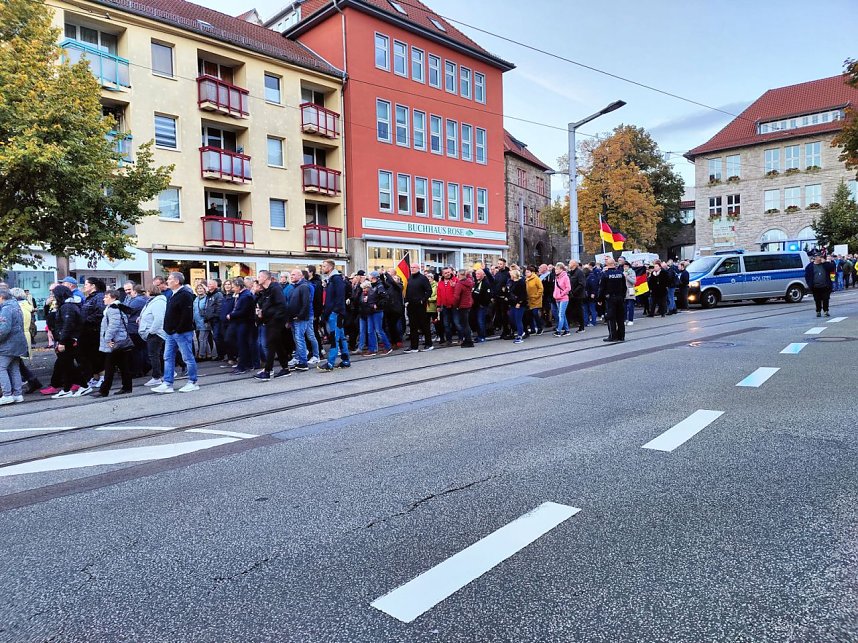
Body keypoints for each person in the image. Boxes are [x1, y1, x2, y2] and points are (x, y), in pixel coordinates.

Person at [152, 272, 199, 393]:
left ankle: (193, 381)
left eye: (170, 279)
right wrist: (167, 328)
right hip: (170, 332)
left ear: (177, 281)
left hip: (181, 332)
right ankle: (168, 383)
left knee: (187, 357)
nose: (167, 281)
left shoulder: (185, 295)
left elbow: (187, 315)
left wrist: (178, 329)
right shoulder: (173, 294)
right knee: (168, 357)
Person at [93, 288, 134, 397]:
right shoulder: (118, 307)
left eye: (106, 297)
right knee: (123, 365)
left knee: (109, 367)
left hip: (115, 342)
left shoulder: (112, 309)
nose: (104, 299)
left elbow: (113, 326)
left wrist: (107, 339)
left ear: (113, 298)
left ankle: (104, 390)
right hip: (120, 340)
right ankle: (127, 387)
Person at [47, 285, 84, 398]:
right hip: (68, 338)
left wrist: (62, 342)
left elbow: (67, 325)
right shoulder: (68, 306)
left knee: (66, 364)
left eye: (54, 295)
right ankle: (79, 386)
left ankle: (72, 388)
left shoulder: (67, 307)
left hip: (67, 339)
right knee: (67, 365)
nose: (53, 297)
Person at [255, 269, 291, 380]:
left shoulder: (275, 288)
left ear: (266, 277)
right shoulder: (266, 291)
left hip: (275, 321)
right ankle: (285, 368)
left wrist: (273, 318)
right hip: (269, 320)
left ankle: (268, 371)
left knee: (270, 344)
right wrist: (261, 312)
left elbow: (282, 306)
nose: (258, 278)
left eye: (260, 276)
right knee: (277, 344)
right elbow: (265, 305)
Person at [317, 259, 350, 371]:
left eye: (324, 266)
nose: (322, 268)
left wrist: (335, 311)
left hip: (335, 313)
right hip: (335, 312)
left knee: (334, 338)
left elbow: (339, 297)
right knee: (341, 337)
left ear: (330, 267)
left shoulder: (336, 279)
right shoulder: (332, 279)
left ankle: (330, 363)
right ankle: (345, 360)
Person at [77, 277, 107, 396]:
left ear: (93, 286)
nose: (84, 286)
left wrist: (86, 320)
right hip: (88, 330)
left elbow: (100, 313)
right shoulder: (90, 297)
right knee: (90, 355)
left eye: (86, 284)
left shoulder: (99, 297)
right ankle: (95, 377)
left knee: (96, 354)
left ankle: (102, 376)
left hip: (94, 330)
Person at [0, 287, 28, 404]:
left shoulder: (6, 309)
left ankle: (7, 395)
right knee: (14, 368)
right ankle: (17, 394)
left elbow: (4, 329)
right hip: (17, 343)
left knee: (1, 368)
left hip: (8, 344)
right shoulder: (16, 306)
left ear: (1, 297)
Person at [139, 284, 167, 387]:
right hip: (153, 332)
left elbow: (159, 319)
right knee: (156, 354)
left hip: (156, 333)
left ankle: (157, 377)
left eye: (146, 291)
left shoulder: (158, 302)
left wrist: (151, 331)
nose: (145, 294)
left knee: (154, 355)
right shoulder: (151, 301)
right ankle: (162, 374)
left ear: (150, 292)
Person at [227, 277, 255, 374]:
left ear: (239, 286)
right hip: (242, 323)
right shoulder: (243, 295)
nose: (232, 289)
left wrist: (231, 315)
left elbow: (243, 311)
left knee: (242, 345)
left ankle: (242, 366)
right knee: (243, 344)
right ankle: (248, 364)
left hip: (244, 323)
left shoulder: (245, 296)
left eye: (233, 287)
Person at [404, 263, 434, 353]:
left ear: (418, 268)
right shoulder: (410, 278)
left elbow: (429, 291)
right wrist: (406, 301)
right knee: (413, 326)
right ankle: (414, 346)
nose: (412, 269)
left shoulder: (423, 278)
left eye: (414, 267)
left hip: (420, 306)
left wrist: (423, 300)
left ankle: (429, 344)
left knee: (424, 325)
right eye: (411, 267)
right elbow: (408, 291)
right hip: (411, 305)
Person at [598, 258, 627, 343]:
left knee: (611, 317)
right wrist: (622, 297)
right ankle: (621, 336)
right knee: (620, 318)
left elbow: (601, 288)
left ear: (607, 264)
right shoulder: (620, 273)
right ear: (614, 264)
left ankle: (612, 336)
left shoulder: (605, 274)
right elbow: (624, 287)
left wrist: (599, 299)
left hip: (610, 298)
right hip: (620, 298)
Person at [453, 268, 475, 348]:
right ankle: (468, 339)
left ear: (459, 274)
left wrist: (455, 305)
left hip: (462, 305)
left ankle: (468, 341)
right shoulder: (469, 282)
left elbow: (456, 297)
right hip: (468, 304)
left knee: (464, 324)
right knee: (466, 323)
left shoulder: (460, 284)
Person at [436, 267, 458, 345]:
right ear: (442, 274)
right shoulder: (440, 283)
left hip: (454, 305)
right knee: (446, 324)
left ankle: (461, 338)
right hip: (445, 306)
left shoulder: (455, 280)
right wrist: (438, 306)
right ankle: (449, 340)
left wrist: (455, 286)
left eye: (449, 272)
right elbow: (439, 295)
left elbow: (459, 292)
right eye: (446, 273)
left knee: (457, 323)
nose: (448, 274)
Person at [203, 279, 224, 360]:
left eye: (211, 284)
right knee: (215, 337)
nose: (208, 285)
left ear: (215, 285)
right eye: (208, 284)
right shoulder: (209, 295)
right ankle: (220, 354)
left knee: (217, 337)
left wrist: (214, 316)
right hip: (211, 320)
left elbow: (219, 307)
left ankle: (221, 354)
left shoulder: (218, 294)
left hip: (216, 320)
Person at [193, 283, 213, 361]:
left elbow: (208, 310)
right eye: (198, 288)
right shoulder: (196, 299)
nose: (199, 290)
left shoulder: (207, 299)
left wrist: (207, 319)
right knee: (204, 339)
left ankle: (201, 355)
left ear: (204, 290)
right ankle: (209, 354)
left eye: (201, 288)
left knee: (201, 339)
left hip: (205, 322)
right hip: (197, 322)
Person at [471, 269, 492, 343]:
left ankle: (482, 336)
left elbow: (488, 296)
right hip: (475, 305)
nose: (477, 275)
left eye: (479, 274)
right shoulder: (477, 282)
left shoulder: (486, 283)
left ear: (483, 275)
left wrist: (483, 304)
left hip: (482, 306)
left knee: (481, 321)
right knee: (477, 321)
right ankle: (479, 335)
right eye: (476, 274)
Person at [566, 260, 587, 333]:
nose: (568, 264)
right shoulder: (569, 273)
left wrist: (574, 292)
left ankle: (582, 326)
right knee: (569, 310)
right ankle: (568, 325)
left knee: (579, 311)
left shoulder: (579, 272)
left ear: (574, 265)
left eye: (570, 263)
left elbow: (582, 284)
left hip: (578, 296)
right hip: (571, 296)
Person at [525, 266, 544, 335]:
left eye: (528, 272)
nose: (526, 273)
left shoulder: (536, 278)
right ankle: (532, 329)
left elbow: (541, 288)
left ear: (532, 272)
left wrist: (536, 296)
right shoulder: (526, 279)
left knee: (535, 314)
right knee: (529, 315)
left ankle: (540, 328)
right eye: (526, 272)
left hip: (536, 299)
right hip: (529, 300)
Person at [553, 263, 571, 337]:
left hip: (564, 298)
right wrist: (555, 295)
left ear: (561, 269)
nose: (556, 270)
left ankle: (559, 330)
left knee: (560, 315)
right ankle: (567, 330)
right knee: (562, 314)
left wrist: (561, 294)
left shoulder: (565, 277)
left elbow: (568, 288)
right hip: (557, 298)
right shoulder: (557, 277)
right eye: (555, 269)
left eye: (557, 269)